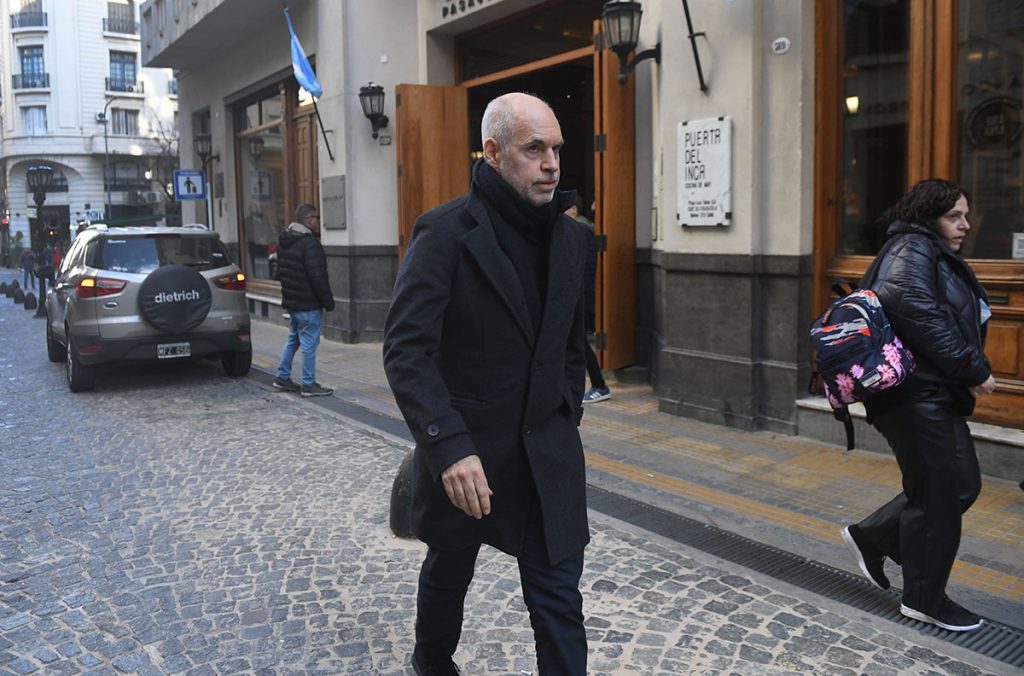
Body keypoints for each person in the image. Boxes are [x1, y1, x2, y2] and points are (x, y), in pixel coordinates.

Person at [383, 92, 590, 675]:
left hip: (547, 455)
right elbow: (405, 350)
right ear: (494, 153)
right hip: (467, 456)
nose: (551, 163)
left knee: (559, 602)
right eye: (534, 149)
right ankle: (432, 664)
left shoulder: (574, 241)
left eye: (556, 149)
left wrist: (563, 412)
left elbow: (571, 348)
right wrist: (447, 447)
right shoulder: (446, 232)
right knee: (449, 573)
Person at [840, 178, 996, 632]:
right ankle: (924, 597)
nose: (965, 224)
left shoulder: (928, 250)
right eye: (955, 216)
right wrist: (973, 368)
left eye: (966, 214)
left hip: (928, 393)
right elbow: (914, 308)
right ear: (929, 216)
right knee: (942, 492)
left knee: (958, 484)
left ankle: (872, 538)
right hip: (913, 394)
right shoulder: (913, 247)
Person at [273, 203, 335, 397]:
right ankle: (308, 384)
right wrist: (328, 302)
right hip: (308, 303)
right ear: (309, 220)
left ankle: (282, 377)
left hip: (293, 302)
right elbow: (318, 277)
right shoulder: (309, 244)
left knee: (293, 339)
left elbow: (280, 272)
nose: (318, 221)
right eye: (316, 218)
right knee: (309, 344)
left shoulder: (286, 240)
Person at [565, 194, 611, 404]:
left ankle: (600, 385)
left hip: (579, 296)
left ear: (574, 209)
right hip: (580, 295)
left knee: (578, 342)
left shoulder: (578, 231)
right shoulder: (581, 230)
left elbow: (580, 270)